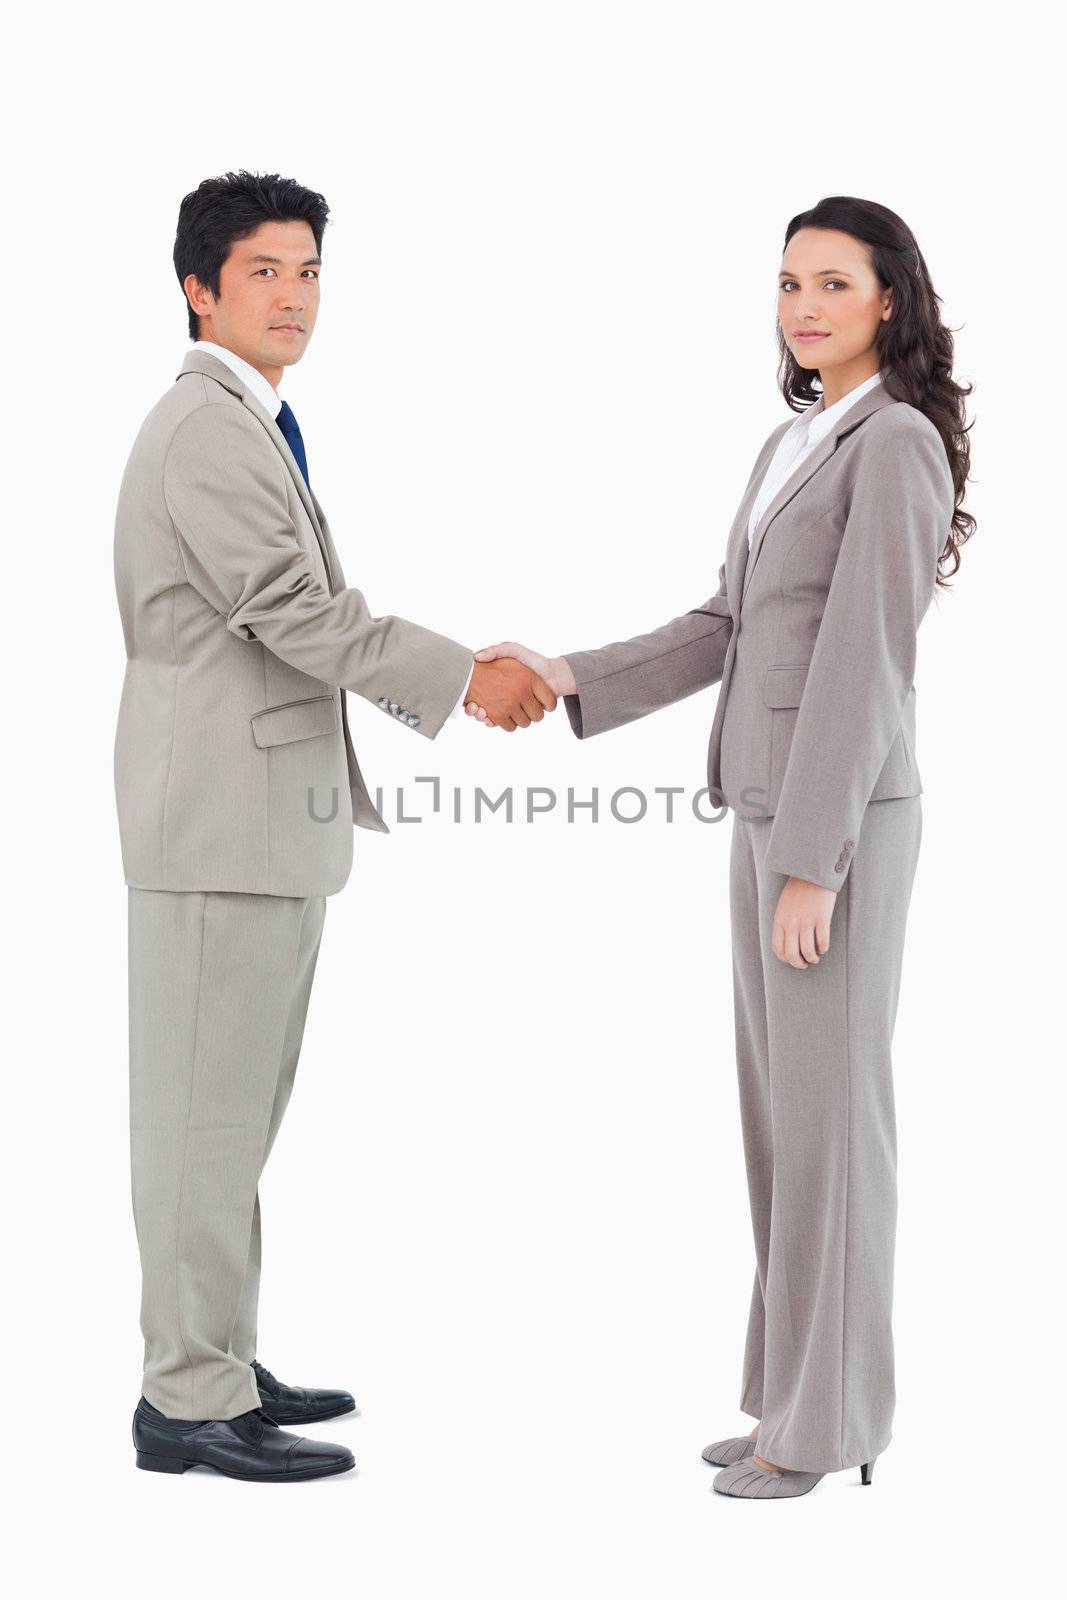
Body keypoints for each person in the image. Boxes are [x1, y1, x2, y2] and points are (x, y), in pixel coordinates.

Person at [466, 195, 974, 1500]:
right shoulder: (795, 441)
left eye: (834, 283)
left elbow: (866, 662)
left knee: (833, 1132)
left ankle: (831, 1423)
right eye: (789, 281)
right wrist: (571, 671)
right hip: (764, 816)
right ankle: (787, 1402)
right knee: (781, 1126)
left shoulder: (898, 445)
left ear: (890, 304)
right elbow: (724, 624)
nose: (804, 305)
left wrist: (817, 859)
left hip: (834, 828)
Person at [114, 169, 557, 1483]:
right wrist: (462, 678)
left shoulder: (255, 422)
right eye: (265, 271)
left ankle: (220, 1364)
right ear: (199, 287)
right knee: (198, 1124)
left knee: (231, 1119)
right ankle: (182, 1399)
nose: (295, 297)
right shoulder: (203, 428)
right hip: (214, 827)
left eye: (310, 271)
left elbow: (295, 606)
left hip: (256, 823)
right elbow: (293, 612)